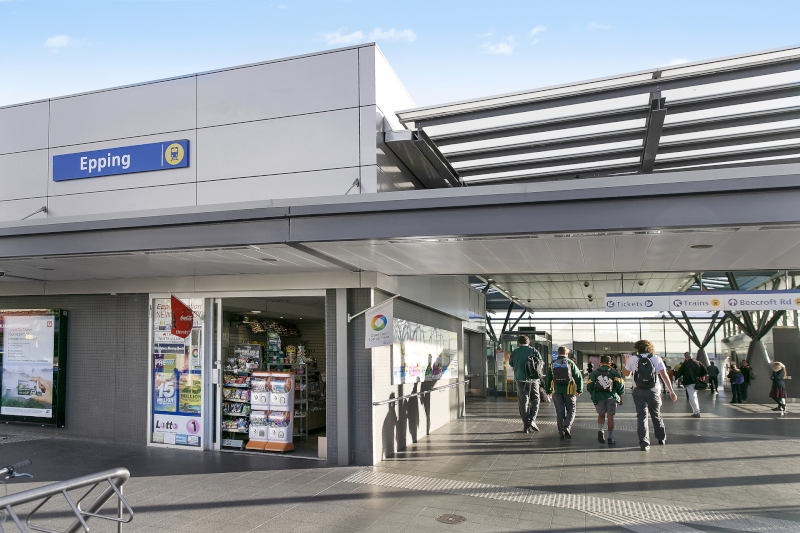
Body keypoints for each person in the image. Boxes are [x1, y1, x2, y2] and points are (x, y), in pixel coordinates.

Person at [623, 340, 677, 451]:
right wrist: (671, 391)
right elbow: (664, 375)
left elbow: (626, 374)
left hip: (638, 391)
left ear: (637, 348)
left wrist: (626, 362)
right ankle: (661, 437)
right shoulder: (656, 358)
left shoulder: (633, 359)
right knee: (656, 414)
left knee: (642, 416)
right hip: (653, 391)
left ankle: (644, 443)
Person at [544, 346, 583, 440]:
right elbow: (578, 377)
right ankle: (567, 426)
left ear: (558, 353)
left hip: (556, 390)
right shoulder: (570, 363)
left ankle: (561, 433)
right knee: (571, 409)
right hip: (569, 390)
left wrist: (548, 390)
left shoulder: (553, 363)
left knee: (560, 411)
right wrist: (579, 390)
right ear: (567, 353)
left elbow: (548, 378)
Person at [586, 354, 625, 446]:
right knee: (610, 417)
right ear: (610, 363)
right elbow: (620, 385)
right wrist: (620, 396)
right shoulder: (614, 372)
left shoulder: (595, 373)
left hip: (599, 397)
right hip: (611, 397)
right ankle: (610, 438)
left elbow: (589, 385)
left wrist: (594, 393)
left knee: (601, 415)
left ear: (600, 362)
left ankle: (601, 430)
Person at [508, 335, 543, 433]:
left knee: (523, 401)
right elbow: (541, 364)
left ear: (519, 343)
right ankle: (532, 420)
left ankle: (525, 426)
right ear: (529, 342)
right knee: (535, 399)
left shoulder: (515, 352)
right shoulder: (534, 351)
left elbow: (512, 365)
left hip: (520, 380)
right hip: (533, 380)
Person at [673, 352, 707, 418]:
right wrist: (699, 376)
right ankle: (696, 411)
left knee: (691, 397)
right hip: (696, 382)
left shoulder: (685, 364)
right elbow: (704, 371)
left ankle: (696, 412)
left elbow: (680, 372)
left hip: (689, 382)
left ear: (686, 357)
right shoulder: (698, 362)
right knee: (695, 396)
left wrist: (675, 378)